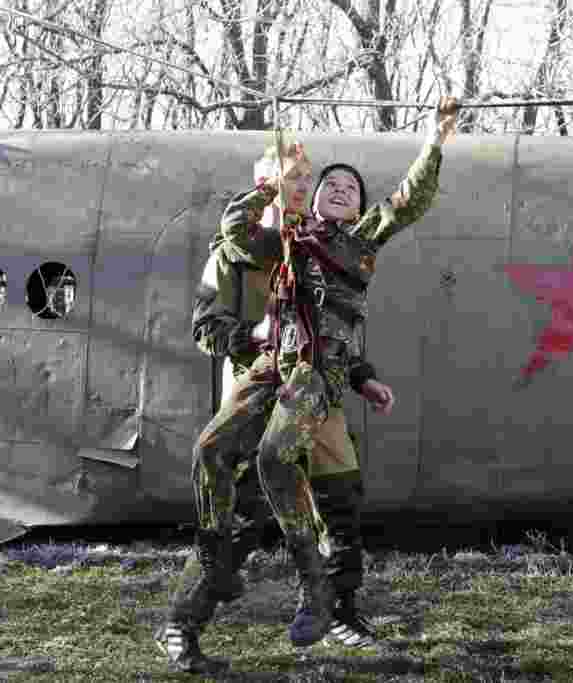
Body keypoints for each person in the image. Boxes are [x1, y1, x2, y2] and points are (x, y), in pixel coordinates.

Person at [227, 95, 460, 652]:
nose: (339, 189)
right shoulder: (287, 238)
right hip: (277, 382)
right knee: (244, 496)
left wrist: (435, 141)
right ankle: (210, 598)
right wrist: (272, 187)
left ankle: (340, 614)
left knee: (342, 504)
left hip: (324, 389)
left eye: (350, 189)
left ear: (358, 210)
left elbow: (409, 201)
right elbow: (236, 231)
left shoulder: (361, 242)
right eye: (330, 183)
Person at [161, 142, 394, 674]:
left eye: (304, 181)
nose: (300, 189)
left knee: (341, 506)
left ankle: (340, 613)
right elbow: (205, 329)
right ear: (265, 186)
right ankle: (182, 623)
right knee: (240, 522)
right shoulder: (231, 252)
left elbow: (334, 331)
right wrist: (256, 335)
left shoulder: (314, 248)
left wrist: (362, 377)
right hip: (258, 392)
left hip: (316, 398)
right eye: (291, 179)